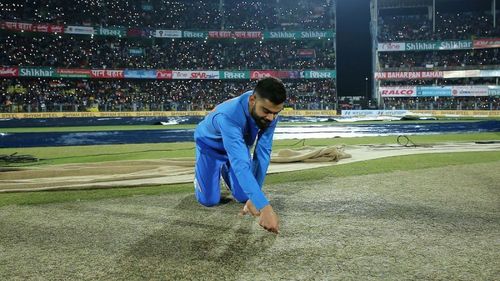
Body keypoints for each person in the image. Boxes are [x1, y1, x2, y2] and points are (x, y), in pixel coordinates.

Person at [193, 77, 286, 234]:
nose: (271, 118)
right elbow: (241, 163)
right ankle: (206, 173)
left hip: (238, 148)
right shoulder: (228, 116)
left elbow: (262, 153)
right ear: (252, 100)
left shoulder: (269, 111)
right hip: (210, 147)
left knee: (245, 196)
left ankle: (227, 171)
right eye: (266, 111)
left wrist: (255, 198)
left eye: (276, 113)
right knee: (209, 201)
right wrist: (265, 207)